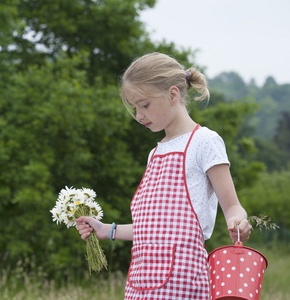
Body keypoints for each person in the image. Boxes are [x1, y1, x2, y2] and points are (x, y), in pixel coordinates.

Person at [75, 52, 252, 299]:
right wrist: (108, 230)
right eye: (134, 107)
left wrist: (237, 222)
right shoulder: (155, 153)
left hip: (183, 281)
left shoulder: (204, 142)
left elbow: (233, 206)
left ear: (172, 95)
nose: (138, 115)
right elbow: (155, 228)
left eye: (144, 105)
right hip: (141, 282)